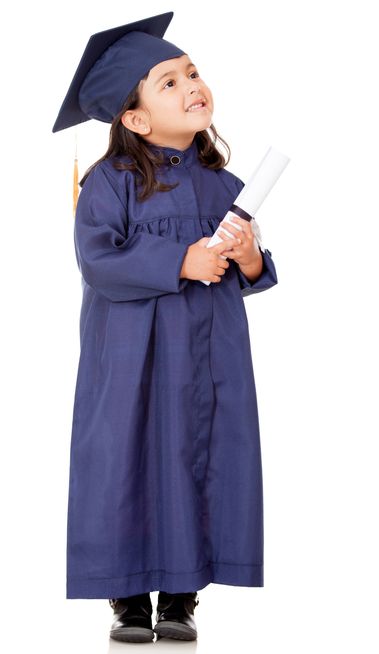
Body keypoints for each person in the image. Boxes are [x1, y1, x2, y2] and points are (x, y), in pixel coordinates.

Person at [52, 11, 278, 644]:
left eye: (194, 73)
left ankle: (182, 598)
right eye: (170, 82)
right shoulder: (110, 184)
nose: (192, 86)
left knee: (199, 457)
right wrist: (181, 260)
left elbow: (251, 270)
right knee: (125, 455)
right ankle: (127, 597)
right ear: (136, 118)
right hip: (130, 354)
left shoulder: (225, 184)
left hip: (210, 355)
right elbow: (96, 261)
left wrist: (249, 258)